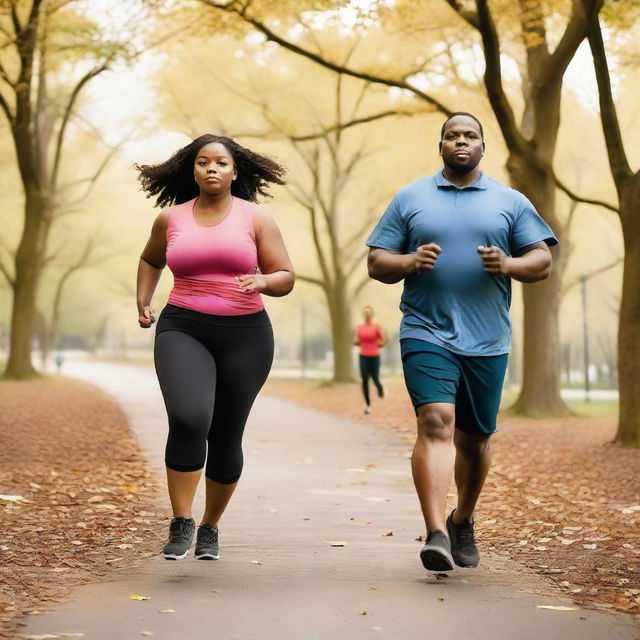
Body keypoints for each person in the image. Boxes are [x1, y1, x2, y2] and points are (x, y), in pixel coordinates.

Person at [366, 113, 558, 572]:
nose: (461, 141)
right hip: (425, 331)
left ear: (482, 147)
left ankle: (462, 520)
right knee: (435, 422)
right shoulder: (411, 197)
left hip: (488, 340)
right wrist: (410, 261)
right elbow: (377, 261)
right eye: (452, 135)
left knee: (474, 442)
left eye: (470, 136)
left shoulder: (508, 200)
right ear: (441, 146)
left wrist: (508, 265)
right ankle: (435, 533)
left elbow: (542, 259)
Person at [135, 134, 294, 561]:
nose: (211, 169)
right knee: (189, 418)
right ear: (193, 170)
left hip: (246, 333)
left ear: (234, 171)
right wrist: (144, 299)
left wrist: (262, 280)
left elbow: (285, 276)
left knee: (226, 434)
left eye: (221, 163)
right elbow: (152, 260)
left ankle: (210, 526)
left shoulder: (256, 219)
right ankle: (182, 519)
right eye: (203, 162)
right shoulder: (170, 220)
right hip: (183, 326)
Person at [354, 306, 386, 414]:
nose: (367, 314)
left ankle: (380, 388)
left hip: (374, 356)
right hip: (363, 355)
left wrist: (378, 344)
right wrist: (356, 342)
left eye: (368, 313)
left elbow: (383, 341)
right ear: (363, 315)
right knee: (364, 379)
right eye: (365, 313)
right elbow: (356, 340)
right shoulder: (359, 327)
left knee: (375, 378)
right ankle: (368, 405)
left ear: (371, 314)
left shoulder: (376, 327)